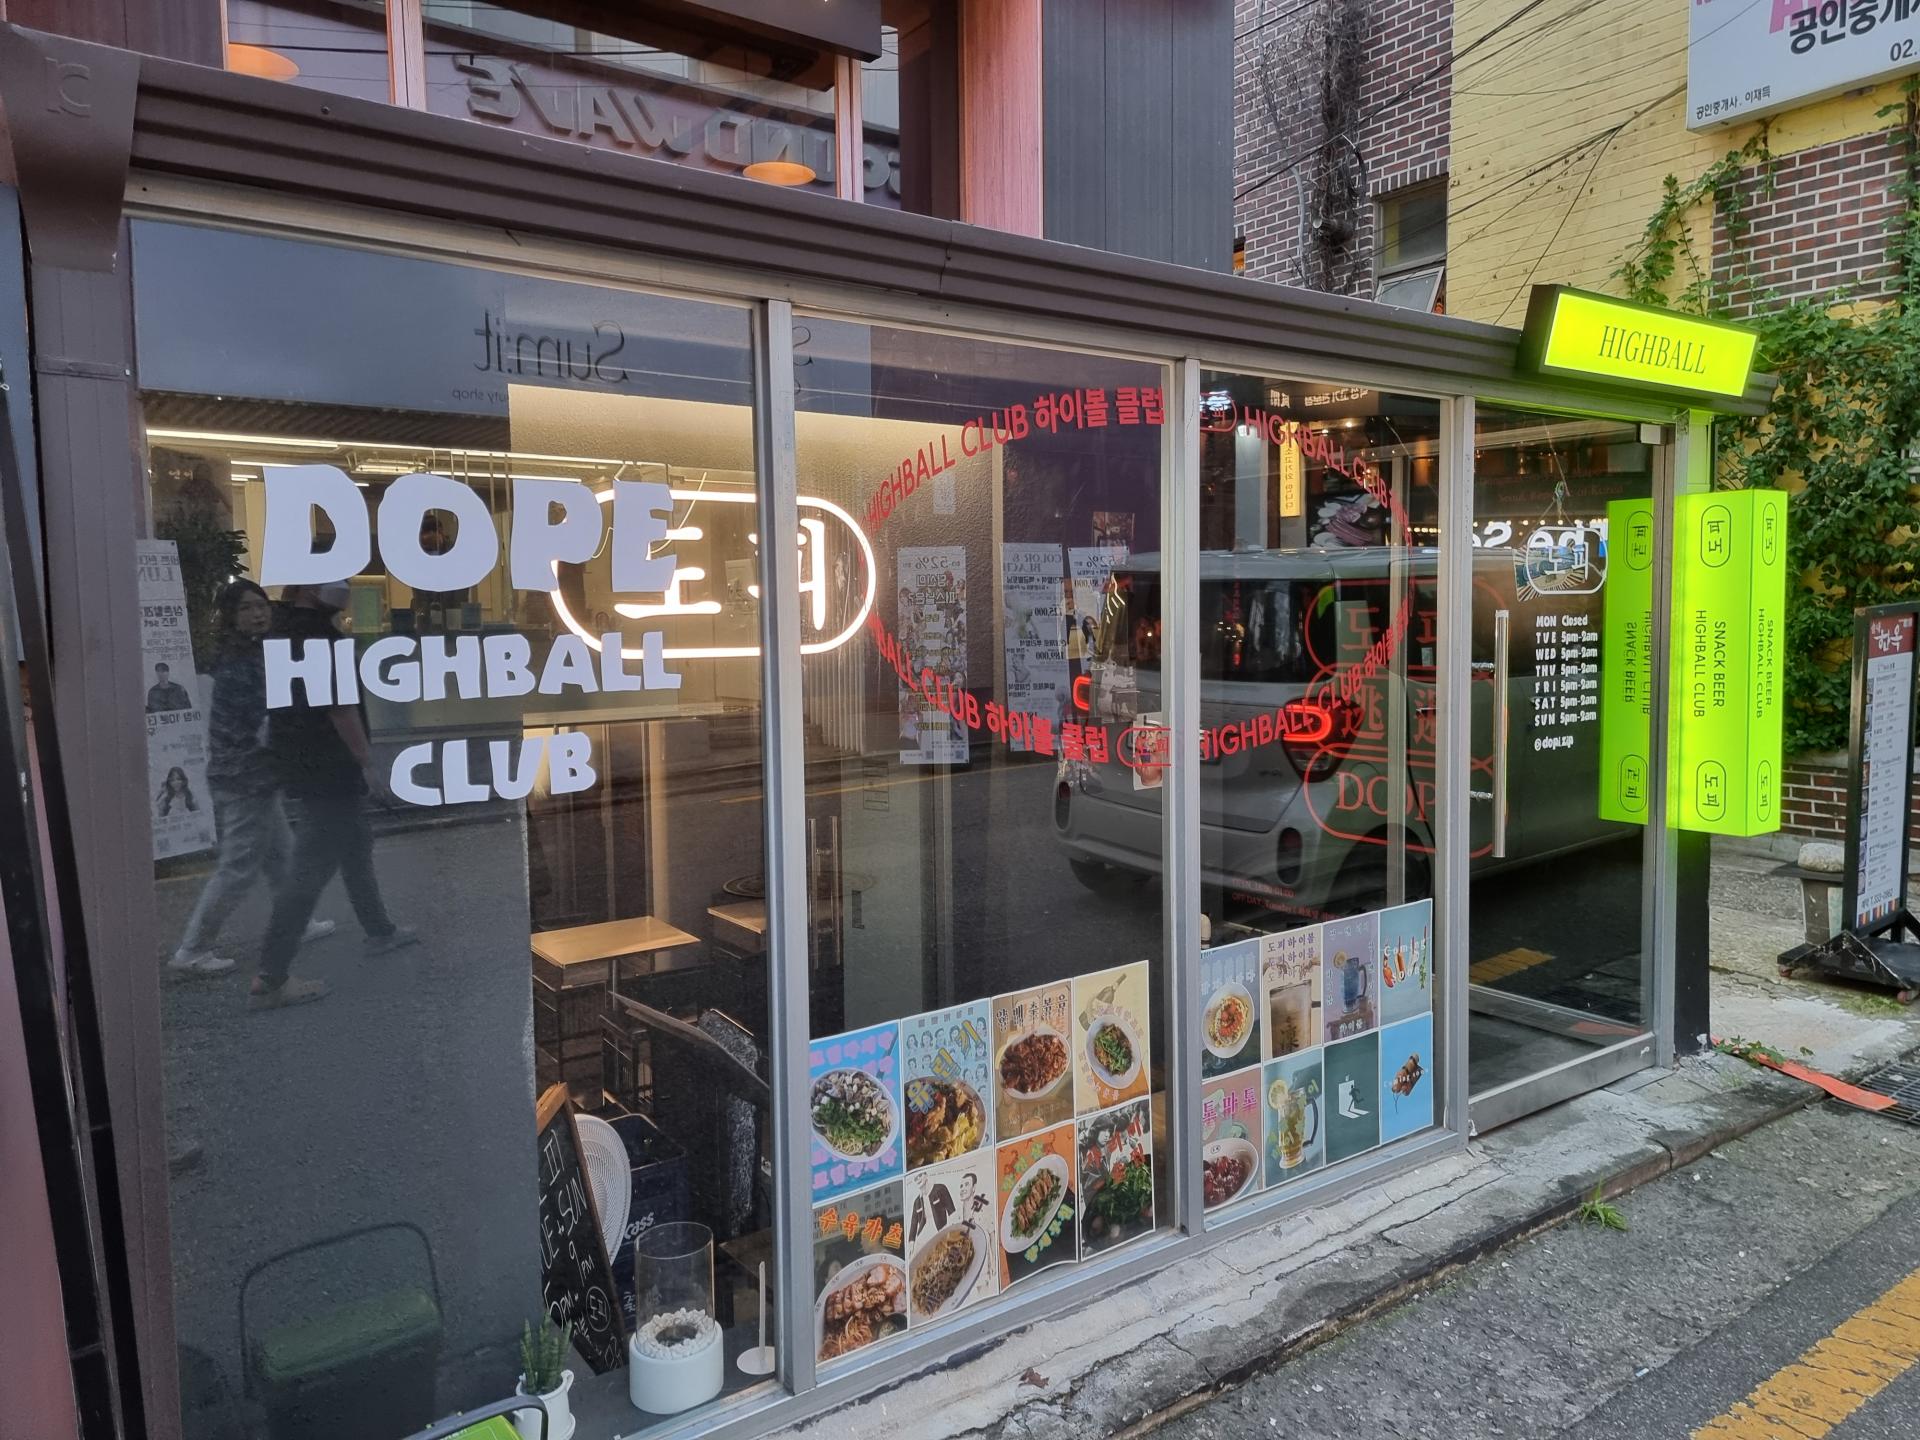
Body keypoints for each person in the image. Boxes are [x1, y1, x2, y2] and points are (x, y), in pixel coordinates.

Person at [251, 582, 416, 1010]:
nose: (345, 588)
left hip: (304, 764)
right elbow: (340, 708)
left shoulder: (283, 631)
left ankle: (379, 930)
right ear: (309, 587)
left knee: (356, 844)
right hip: (331, 767)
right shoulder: (321, 637)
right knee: (308, 872)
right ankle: (272, 975)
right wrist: (367, 764)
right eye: (337, 577)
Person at [170, 581, 334, 976]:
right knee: (238, 868)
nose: (257, 613)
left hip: (253, 775)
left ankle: (296, 923)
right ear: (230, 617)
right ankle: (192, 950)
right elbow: (265, 724)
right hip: (246, 778)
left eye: (260, 605)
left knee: (282, 857)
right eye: (245, 608)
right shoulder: (239, 662)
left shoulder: (255, 651)